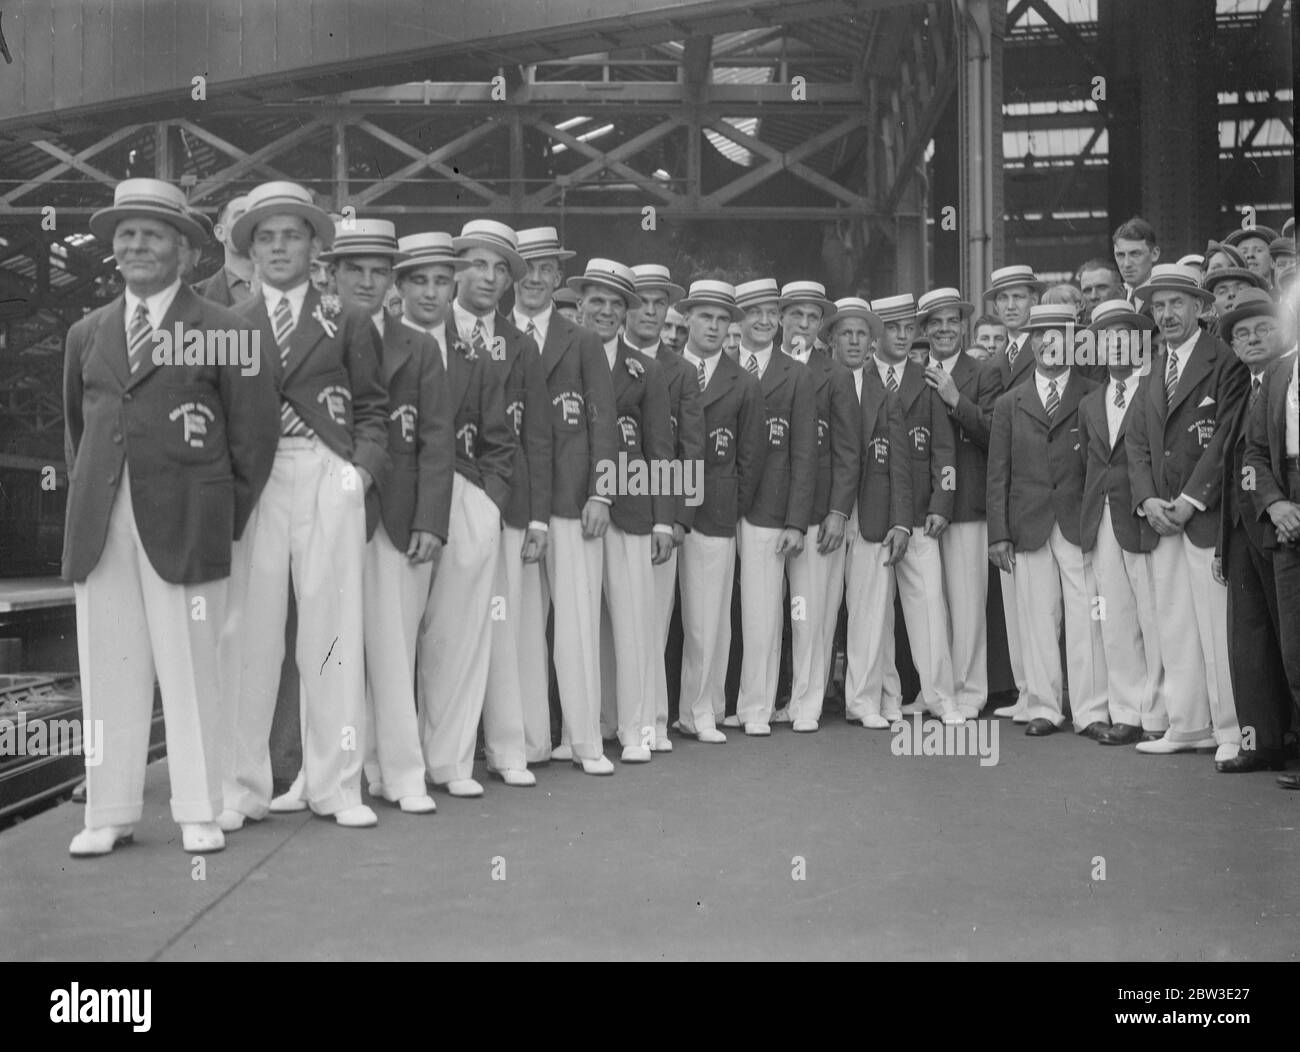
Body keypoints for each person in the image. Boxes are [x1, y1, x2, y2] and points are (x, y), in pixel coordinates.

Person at [63, 178, 279, 856]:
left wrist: (225, 515)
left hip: (189, 517)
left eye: (151, 233)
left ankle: (199, 807)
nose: (135, 244)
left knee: (193, 667)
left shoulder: (223, 330)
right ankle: (110, 810)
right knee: (108, 663)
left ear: (185, 250)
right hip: (103, 520)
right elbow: (78, 430)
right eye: (125, 234)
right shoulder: (85, 333)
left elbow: (253, 437)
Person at [219, 180, 389, 831]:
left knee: (332, 634)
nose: (280, 246)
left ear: (314, 244)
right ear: (251, 249)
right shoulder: (229, 324)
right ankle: (242, 789)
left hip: (326, 473)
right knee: (249, 636)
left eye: (292, 234)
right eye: (267, 236)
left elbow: (373, 408)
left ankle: (337, 785)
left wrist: (359, 473)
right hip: (256, 482)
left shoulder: (344, 319)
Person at [333, 220, 453, 814]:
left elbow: (437, 440)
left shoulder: (421, 346)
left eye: (379, 271)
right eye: (354, 269)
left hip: (400, 515)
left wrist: (433, 518)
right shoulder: (312, 338)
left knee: (393, 647)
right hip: (331, 514)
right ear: (331, 274)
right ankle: (331, 776)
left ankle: (401, 774)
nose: (367, 281)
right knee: (329, 651)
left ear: (393, 282)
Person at [1126, 263, 1248, 763]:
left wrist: (1190, 499)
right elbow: (1135, 441)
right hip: (1163, 515)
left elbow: (1226, 435)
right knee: (1173, 624)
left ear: (1201, 308)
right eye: (1159, 305)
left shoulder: (1225, 360)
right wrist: (1147, 498)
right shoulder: (1154, 365)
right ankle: (1188, 724)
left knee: (1217, 627)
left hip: (1204, 515)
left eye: (1177, 303)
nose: (1168, 313)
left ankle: (1228, 730)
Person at [987, 304, 1107, 737]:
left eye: (1058, 334)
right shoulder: (1009, 403)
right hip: (1028, 522)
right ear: (1031, 341)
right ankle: (1043, 705)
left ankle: (1091, 709)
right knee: (1036, 615)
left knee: (1086, 615)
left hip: (1077, 521)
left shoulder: (1093, 393)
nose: (1048, 342)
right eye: (1040, 334)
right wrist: (998, 534)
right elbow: (997, 472)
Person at [573, 259, 675, 762]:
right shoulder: (564, 357)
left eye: (617, 304)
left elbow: (663, 449)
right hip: (577, 507)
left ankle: (637, 730)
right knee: (583, 627)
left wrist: (664, 519)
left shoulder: (646, 369)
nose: (607, 311)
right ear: (580, 303)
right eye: (598, 301)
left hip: (633, 508)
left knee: (634, 624)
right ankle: (594, 726)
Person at [673, 281, 765, 743]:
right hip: (662, 504)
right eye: (704, 316)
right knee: (655, 618)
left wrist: (730, 501)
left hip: (714, 508)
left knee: (709, 618)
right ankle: (651, 712)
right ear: (687, 317)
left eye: (721, 318)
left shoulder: (742, 382)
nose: (712, 325)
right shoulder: (662, 367)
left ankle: (703, 709)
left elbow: (749, 458)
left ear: (731, 326)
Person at [482, 224, 556, 776]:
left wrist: (536, 517)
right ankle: (447, 754)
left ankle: (511, 748)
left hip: (506, 503)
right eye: (480, 266)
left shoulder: (519, 344)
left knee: (507, 627)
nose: (492, 277)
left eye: (499, 267)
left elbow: (537, 435)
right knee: (445, 632)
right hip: (442, 500)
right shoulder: (428, 331)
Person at [1078, 299, 1165, 746]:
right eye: (1104, 339)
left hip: (1144, 515)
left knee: (1154, 615)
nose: (1113, 347)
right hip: (1104, 520)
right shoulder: (1091, 401)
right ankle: (1127, 711)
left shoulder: (1155, 388)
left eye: (1122, 336)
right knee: (1112, 618)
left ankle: (1162, 712)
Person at [1213, 289, 1291, 773]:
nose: (1252, 338)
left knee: (1290, 638)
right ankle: (1260, 742)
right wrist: (1224, 544)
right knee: (1248, 642)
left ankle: (1290, 738)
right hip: (1242, 529)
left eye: (1263, 327)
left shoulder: (1290, 379)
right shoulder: (1244, 386)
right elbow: (1231, 468)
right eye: (1241, 334)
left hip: (1279, 525)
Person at [628, 263, 703, 751]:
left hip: (657, 509)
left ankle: (652, 718)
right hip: (608, 503)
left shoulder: (682, 370)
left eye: (660, 303)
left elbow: (689, 449)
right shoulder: (600, 353)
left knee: (652, 621)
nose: (652, 312)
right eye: (643, 302)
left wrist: (677, 517)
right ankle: (607, 718)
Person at [920, 287, 1002, 720]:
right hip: (926, 504)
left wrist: (955, 398)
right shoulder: (916, 371)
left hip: (968, 501)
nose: (945, 329)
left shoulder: (982, 373)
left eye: (953, 321)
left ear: (963, 325)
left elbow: (992, 433)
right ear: (926, 329)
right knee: (932, 605)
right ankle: (937, 690)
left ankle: (970, 691)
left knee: (968, 602)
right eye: (936, 322)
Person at [778, 281, 856, 732]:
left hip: (818, 515)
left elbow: (849, 451)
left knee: (809, 610)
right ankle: (783, 697)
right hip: (771, 511)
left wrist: (837, 511)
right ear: (783, 318)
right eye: (797, 316)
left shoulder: (836, 375)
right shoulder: (765, 368)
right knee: (776, 615)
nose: (804, 324)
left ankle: (807, 702)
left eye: (812, 317)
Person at [827, 298, 909, 727]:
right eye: (847, 333)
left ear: (871, 340)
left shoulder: (884, 394)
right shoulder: (821, 382)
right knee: (818, 612)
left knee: (871, 611)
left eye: (862, 334)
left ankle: (864, 701)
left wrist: (900, 521)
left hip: (873, 515)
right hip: (828, 514)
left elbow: (899, 461)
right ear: (833, 340)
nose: (855, 341)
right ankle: (810, 697)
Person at [983, 265, 1045, 723]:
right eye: (1003, 299)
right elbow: (991, 433)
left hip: (1039, 489)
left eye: (1018, 298)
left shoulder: (1048, 352)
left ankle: (1044, 693)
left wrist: (955, 401)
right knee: (1017, 601)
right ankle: (1027, 690)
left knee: (1043, 604)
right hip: (1009, 488)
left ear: (1033, 301)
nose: (1010, 306)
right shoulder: (996, 361)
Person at [1243, 333, 1300, 789]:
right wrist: (1275, 503)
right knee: (1294, 644)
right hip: (1285, 507)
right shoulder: (1279, 372)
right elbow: (1255, 453)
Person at [196, 195, 255, 306]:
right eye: (241, 216)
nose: (250, 224)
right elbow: (177, 323)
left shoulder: (289, 291)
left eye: (254, 217)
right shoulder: (191, 298)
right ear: (220, 233)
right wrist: (178, 324)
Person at [1112, 216, 1161, 309]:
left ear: (1154, 254)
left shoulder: (1165, 297)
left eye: (1135, 254)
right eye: (1120, 255)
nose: (1126, 264)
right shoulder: (1112, 298)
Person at [1223, 225, 1279, 289]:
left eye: (1258, 250)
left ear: (1273, 261)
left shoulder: (1284, 297)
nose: (1250, 255)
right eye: (1244, 252)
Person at [1076, 259, 1124, 323]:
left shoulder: (1136, 329)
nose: (1093, 297)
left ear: (1120, 292)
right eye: (1087, 290)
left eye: (1101, 288)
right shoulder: (1075, 331)